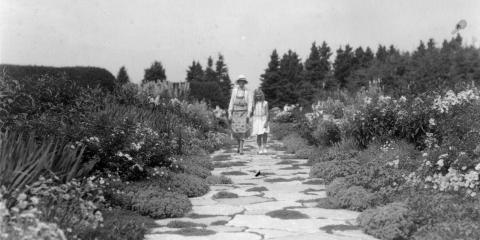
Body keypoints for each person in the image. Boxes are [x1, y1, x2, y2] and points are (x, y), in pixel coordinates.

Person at [228, 74, 253, 154]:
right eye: (240, 81)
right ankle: (238, 145)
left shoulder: (247, 91)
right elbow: (231, 101)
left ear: (244, 82)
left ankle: (241, 148)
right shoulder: (235, 91)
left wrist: (249, 113)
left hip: (244, 112)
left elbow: (250, 102)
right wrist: (229, 112)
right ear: (238, 82)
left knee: (242, 130)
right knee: (236, 131)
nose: (241, 83)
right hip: (235, 112)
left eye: (243, 82)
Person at [251, 89, 270, 154]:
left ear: (262, 95)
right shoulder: (254, 103)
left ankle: (264, 147)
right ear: (255, 96)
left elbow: (267, 113)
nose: (258, 96)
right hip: (257, 119)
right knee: (259, 135)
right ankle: (259, 148)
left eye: (259, 95)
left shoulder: (265, 103)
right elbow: (252, 112)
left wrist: (266, 121)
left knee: (265, 134)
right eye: (257, 95)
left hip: (263, 118)